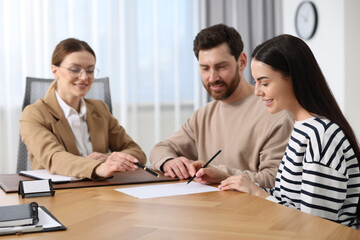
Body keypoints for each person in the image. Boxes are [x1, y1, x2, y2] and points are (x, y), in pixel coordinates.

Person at [218, 34, 360, 227]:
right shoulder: (303, 127)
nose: (257, 91)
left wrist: (257, 193)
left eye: (264, 83)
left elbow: (315, 224)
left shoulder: (321, 137)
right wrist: (250, 187)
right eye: (256, 82)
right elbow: (290, 201)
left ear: (294, 78)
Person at [150, 24, 294, 188]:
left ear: (242, 62)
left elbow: (273, 180)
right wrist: (169, 162)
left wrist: (221, 174)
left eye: (221, 67)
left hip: (250, 211)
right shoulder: (203, 115)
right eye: (205, 68)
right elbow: (160, 148)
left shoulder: (276, 113)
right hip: (209, 209)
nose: (212, 78)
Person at [20, 38, 146, 179]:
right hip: (59, 194)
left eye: (90, 70)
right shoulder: (34, 114)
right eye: (75, 69)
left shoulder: (100, 108)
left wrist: (108, 158)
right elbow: (54, 158)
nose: (84, 77)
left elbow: (136, 152)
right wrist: (99, 167)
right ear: (55, 71)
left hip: (100, 190)